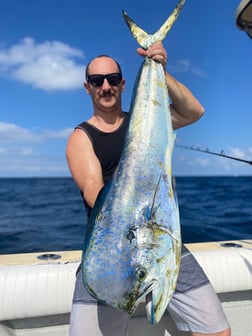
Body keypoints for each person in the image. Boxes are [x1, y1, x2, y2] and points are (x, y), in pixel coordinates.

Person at [66, 42, 231, 336]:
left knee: (217, 331)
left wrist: (161, 70)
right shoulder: (82, 137)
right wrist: (134, 178)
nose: (106, 86)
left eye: (113, 79)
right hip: (111, 251)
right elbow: (93, 189)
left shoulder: (146, 121)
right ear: (87, 87)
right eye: (97, 81)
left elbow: (194, 111)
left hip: (161, 244)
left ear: (123, 83)